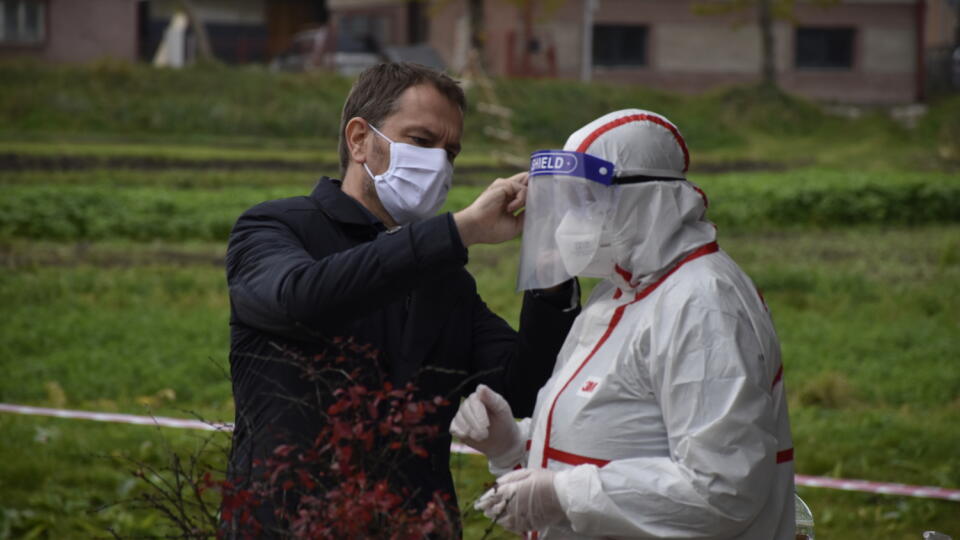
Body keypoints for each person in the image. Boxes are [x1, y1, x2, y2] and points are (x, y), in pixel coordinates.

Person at [223, 62, 579, 534]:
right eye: (421, 141)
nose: (438, 164)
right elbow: (300, 300)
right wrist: (460, 229)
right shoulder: (275, 228)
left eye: (450, 152)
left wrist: (549, 267)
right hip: (291, 524)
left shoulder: (442, 276)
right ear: (358, 139)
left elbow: (525, 382)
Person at [451, 109, 796, 539]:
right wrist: (513, 445)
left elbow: (723, 491)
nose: (568, 224)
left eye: (586, 202)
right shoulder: (616, 295)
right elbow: (614, 436)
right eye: (565, 205)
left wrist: (563, 495)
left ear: (647, 198)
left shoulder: (704, 305)